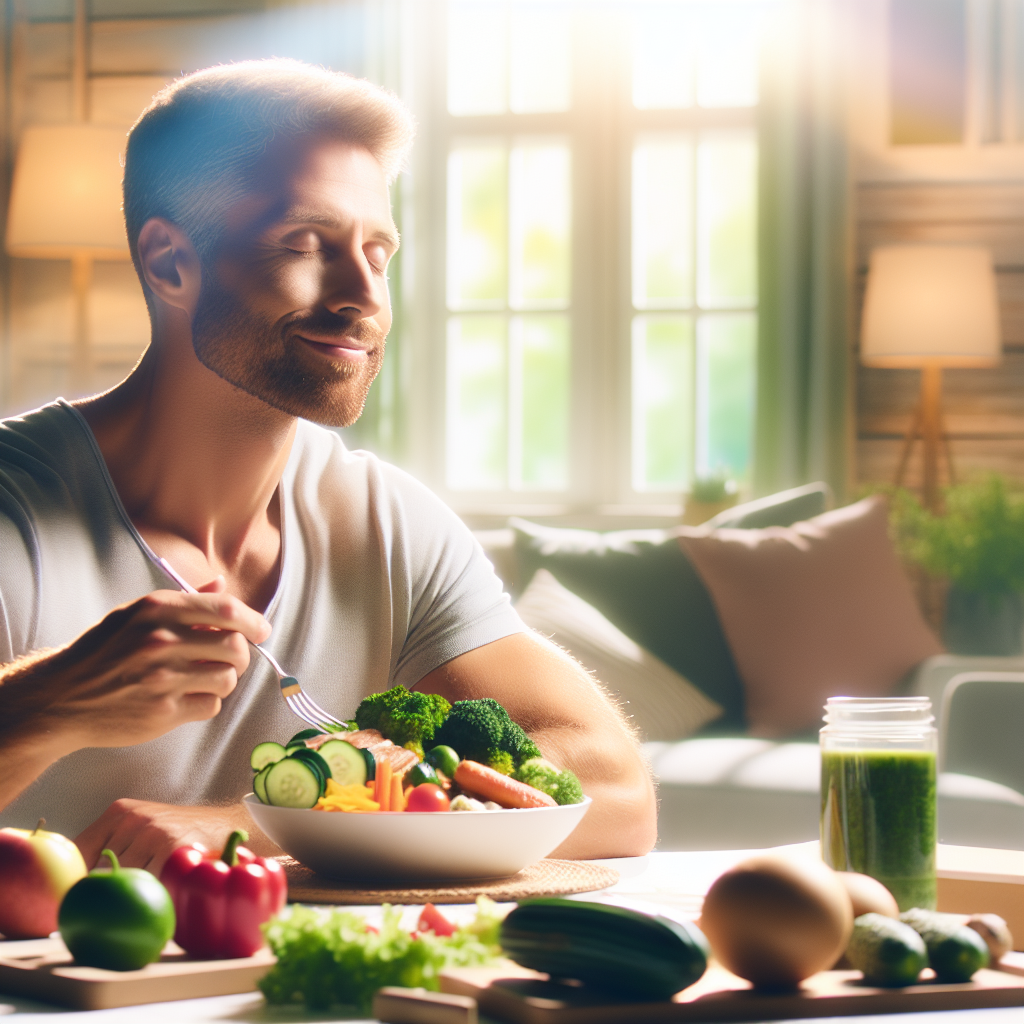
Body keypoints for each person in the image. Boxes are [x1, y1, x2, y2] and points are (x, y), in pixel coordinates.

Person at [0, 59, 656, 873]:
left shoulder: (386, 523)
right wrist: (46, 703)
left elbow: (613, 792)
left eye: (377, 253)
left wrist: (267, 822)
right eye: (306, 245)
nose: (364, 296)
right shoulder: (15, 512)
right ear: (171, 264)